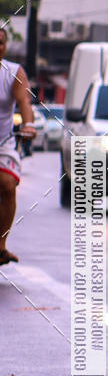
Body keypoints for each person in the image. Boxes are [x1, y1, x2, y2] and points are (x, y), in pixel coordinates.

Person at [0, 28, 36, 265]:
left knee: (7, 184)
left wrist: (29, 125)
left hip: (4, 141)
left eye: (0, 43)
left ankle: (0, 246)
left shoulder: (13, 72)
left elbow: (24, 102)